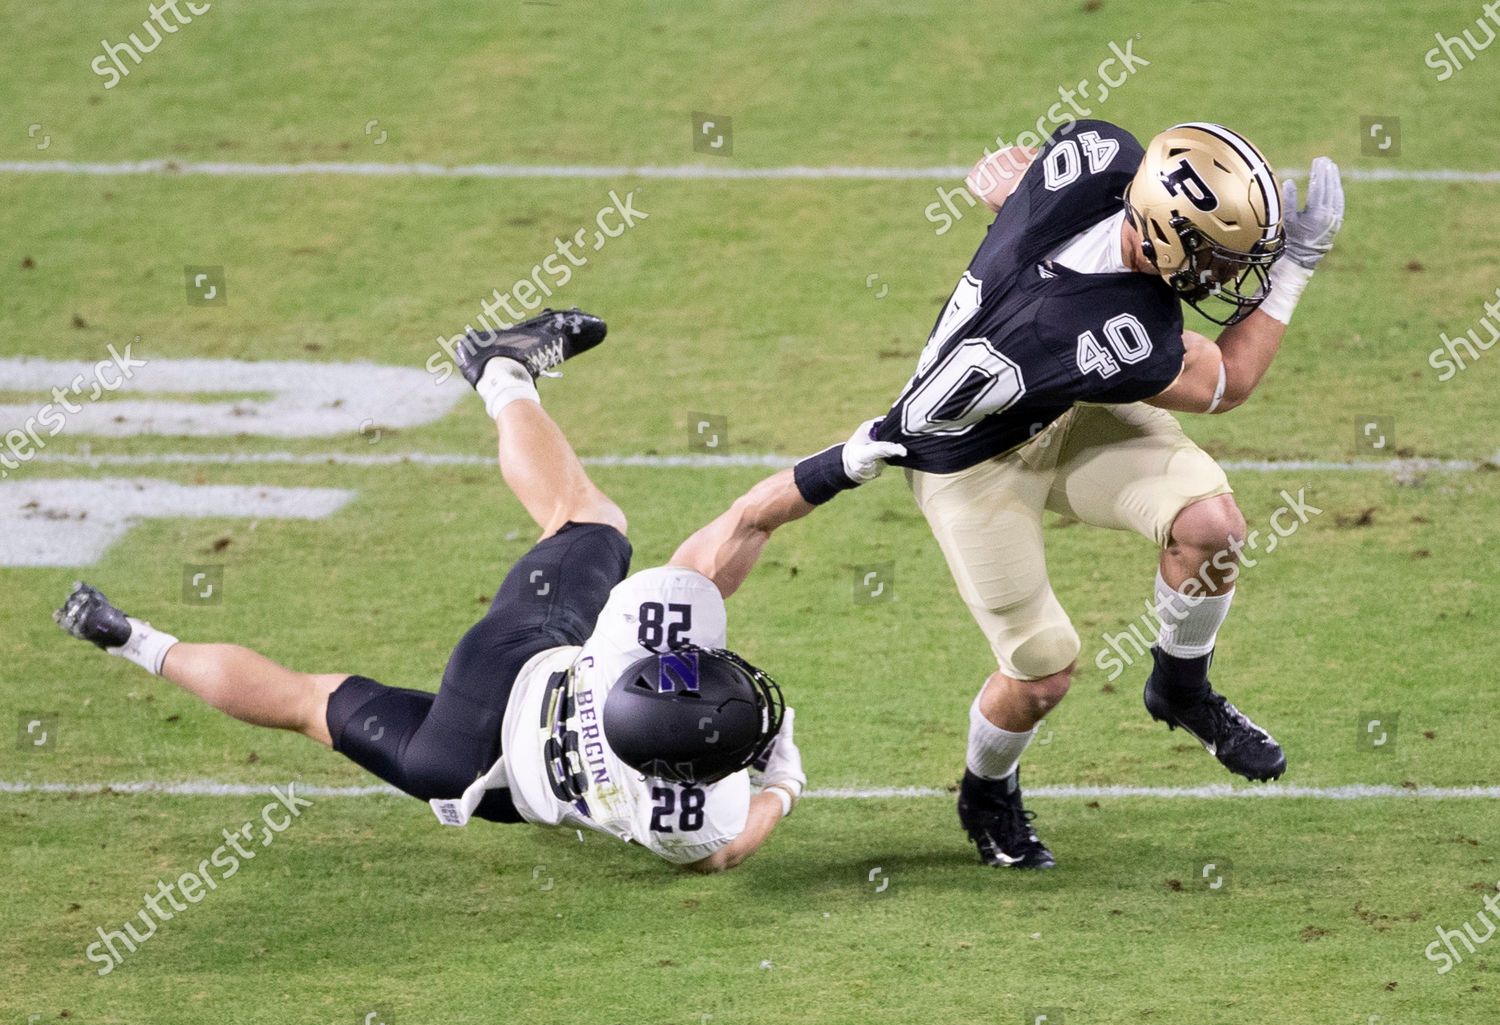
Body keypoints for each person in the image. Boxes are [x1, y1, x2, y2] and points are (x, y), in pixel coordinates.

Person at [731, 120, 1345, 868]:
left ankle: (1182, 689)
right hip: (968, 461)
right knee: (1043, 671)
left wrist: (1010, 202)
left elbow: (1004, 170)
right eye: (1218, 254)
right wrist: (1297, 268)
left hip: (1054, 401)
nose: (1228, 273)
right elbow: (1229, 382)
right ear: (1162, 235)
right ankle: (985, 790)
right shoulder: (1121, 331)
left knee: (1212, 527)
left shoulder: (1102, 156)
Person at [55, 308, 806, 873]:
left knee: (586, 520)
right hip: (452, 768)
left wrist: (779, 781)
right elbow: (718, 855)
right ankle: (129, 637)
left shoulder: (633, 662)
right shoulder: (680, 818)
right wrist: (782, 789)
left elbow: (720, 546)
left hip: (505, 672)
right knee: (304, 706)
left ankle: (502, 371)